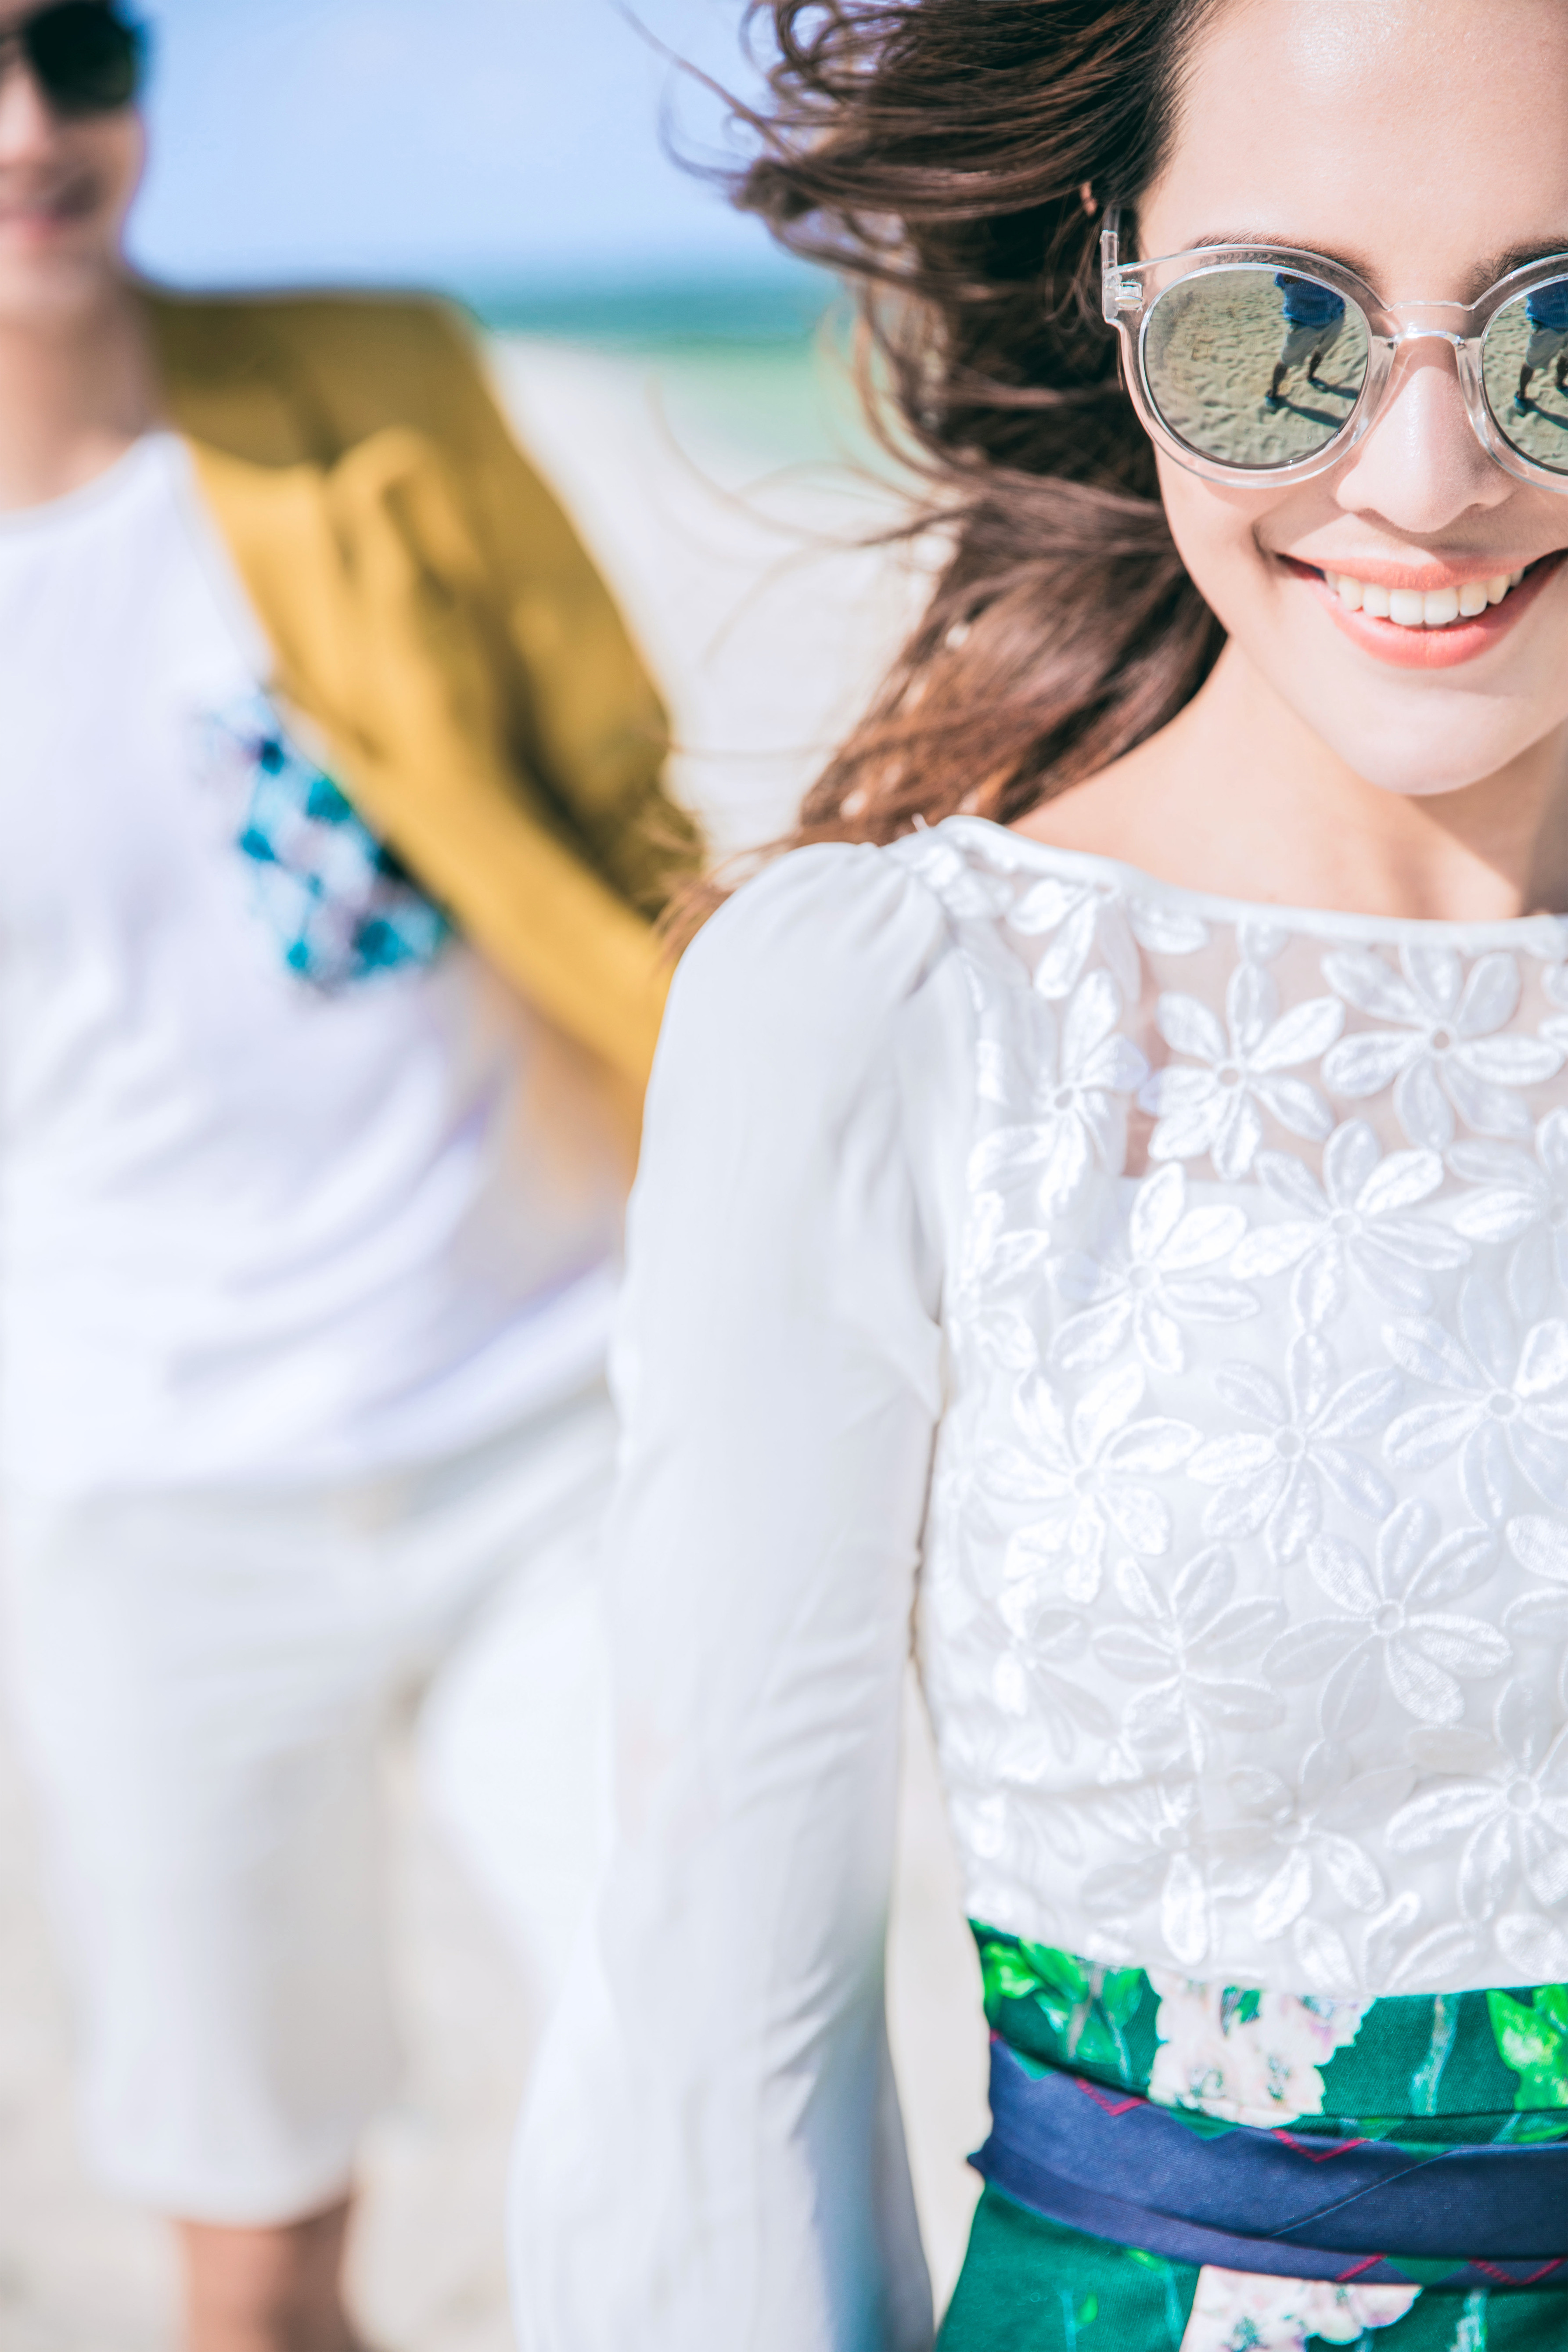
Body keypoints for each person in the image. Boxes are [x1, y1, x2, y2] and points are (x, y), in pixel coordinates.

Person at [511, 2, 1568, 2348]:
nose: (1427, 472)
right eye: (1275, 326)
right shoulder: (906, 1016)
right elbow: (716, 2045)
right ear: (1116, 286)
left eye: (1562, 324)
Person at [0, 6, 700, 2350]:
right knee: (255, 2245)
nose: (34, 127)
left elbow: (622, 798)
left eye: (76, 51)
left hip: (549, 1411)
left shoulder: (371, 385)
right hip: (148, 1492)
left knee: (704, 2061)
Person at [1264, 271, 1346, 409]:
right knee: (1286, 362)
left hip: (1336, 314)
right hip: (1304, 323)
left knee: (1322, 351)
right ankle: (1273, 392)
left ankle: (1311, 376)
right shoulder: (1291, 266)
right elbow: (1288, 279)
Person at [1515, 274, 1568, 413]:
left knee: (1566, 358)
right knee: (1531, 363)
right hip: (1545, 324)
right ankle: (1521, 394)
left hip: (1551, 322)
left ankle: (1560, 383)